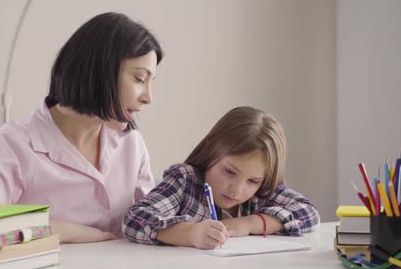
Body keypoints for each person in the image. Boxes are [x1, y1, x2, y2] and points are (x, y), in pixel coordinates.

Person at [0, 12, 163, 243]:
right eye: (139, 79)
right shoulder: (15, 144)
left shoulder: (131, 143)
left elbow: (149, 222)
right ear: (99, 71)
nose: (148, 97)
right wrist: (65, 231)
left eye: (151, 82)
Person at [122, 106, 320, 249]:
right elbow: (134, 220)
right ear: (211, 152)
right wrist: (191, 234)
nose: (237, 189)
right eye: (229, 172)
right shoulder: (185, 181)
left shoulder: (262, 191)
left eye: (252, 181)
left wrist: (248, 224)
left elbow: (309, 213)